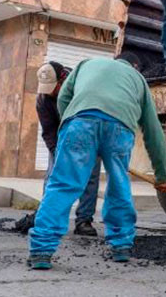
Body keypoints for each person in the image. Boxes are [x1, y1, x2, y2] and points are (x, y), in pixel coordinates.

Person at [28, 52, 166, 270]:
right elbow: (153, 131)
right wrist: (162, 176)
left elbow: (65, 96)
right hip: (120, 129)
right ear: (135, 66)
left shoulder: (86, 63)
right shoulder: (138, 79)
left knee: (63, 184)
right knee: (119, 185)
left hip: (80, 123)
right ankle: (121, 246)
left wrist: (73, 130)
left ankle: (41, 250)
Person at [37, 61, 101, 236]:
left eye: (53, 87)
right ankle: (48, 218)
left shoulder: (82, 88)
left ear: (62, 79)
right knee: (52, 175)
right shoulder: (43, 99)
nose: (49, 92)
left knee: (89, 177)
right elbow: (49, 130)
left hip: (88, 134)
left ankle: (84, 221)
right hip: (60, 137)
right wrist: (56, 151)